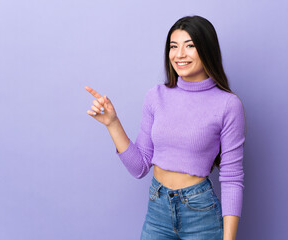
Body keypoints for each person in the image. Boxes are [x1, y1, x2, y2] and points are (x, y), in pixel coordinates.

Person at [85, 15, 246, 240]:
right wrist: (113, 123)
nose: (179, 54)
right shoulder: (156, 96)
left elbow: (231, 178)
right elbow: (139, 167)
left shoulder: (228, 105)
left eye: (189, 46)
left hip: (200, 212)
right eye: (173, 46)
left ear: (207, 49)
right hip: (157, 208)